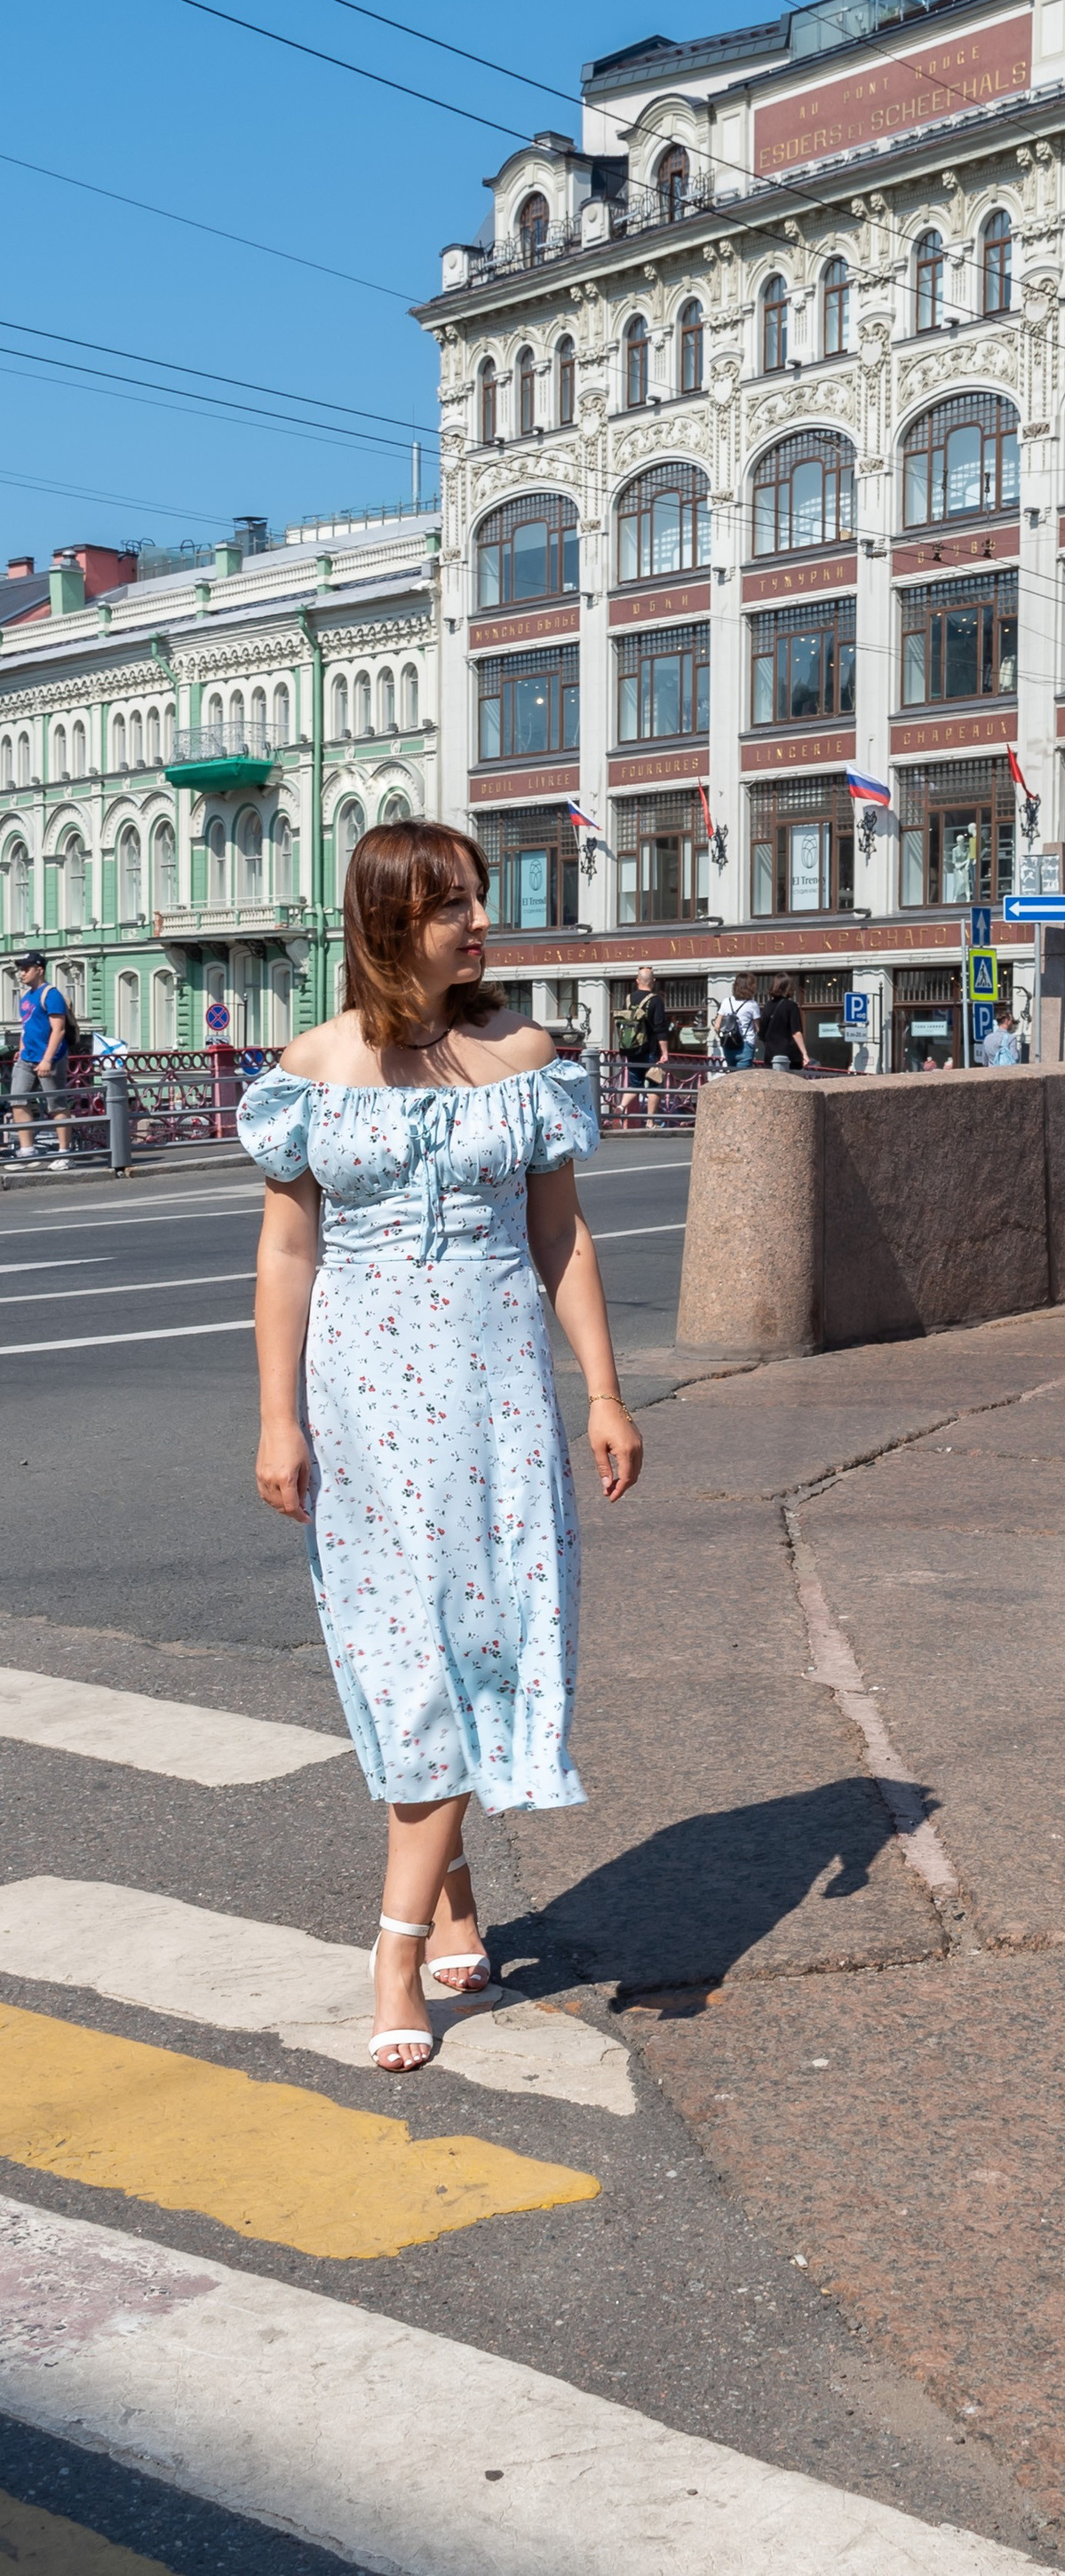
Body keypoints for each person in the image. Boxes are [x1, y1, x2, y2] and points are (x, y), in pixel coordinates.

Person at [242, 821, 642, 2077]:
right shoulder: (315, 1066)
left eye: (477, 898)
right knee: (404, 1643)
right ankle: (423, 1925)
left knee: (484, 1632)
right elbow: (286, 1255)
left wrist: (605, 1392)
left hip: (495, 1394)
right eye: (448, 905)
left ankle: (405, 1938)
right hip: (362, 1401)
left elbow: (563, 1239)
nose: (477, 921)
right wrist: (276, 1414)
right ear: (384, 920)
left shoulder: (522, 1057)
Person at [10, 952, 69, 1170]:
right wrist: (21, 1050)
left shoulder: (51, 994)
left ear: (39, 969)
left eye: (26, 969)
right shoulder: (26, 997)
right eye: (20, 969)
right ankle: (27, 1152)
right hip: (27, 1057)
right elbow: (27, 1028)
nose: (21, 973)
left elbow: (58, 1029)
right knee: (18, 1100)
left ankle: (65, 1153)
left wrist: (47, 1060)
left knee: (56, 1105)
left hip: (50, 1058)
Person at [615, 966, 666, 1125]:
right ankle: (650, 1122)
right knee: (655, 1084)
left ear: (637, 981)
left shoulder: (629, 999)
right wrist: (664, 1052)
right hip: (650, 1049)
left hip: (632, 1049)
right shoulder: (656, 1000)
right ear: (654, 981)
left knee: (634, 1084)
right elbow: (660, 1028)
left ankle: (621, 1107)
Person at [755, 977, 807, 1074]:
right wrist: (804, 1053)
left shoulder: (767, 1006)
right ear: (788, 988)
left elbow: (761, 1034)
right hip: (790, 1057)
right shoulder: (791, 1006)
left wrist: (769, 1047)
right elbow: (796, 1032)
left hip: (771, 1056)